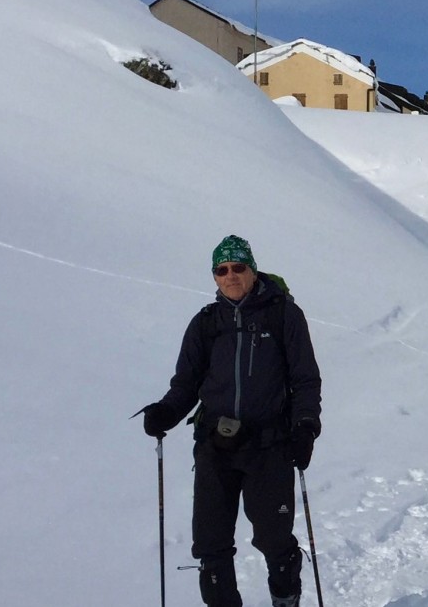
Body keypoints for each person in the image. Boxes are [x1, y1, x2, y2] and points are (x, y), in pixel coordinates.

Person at [138, 235, 322, 607]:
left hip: (270, 446)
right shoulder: (205, 323)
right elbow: (186, 384)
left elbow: (305, 379)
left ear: (252, 269)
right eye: (222, 270)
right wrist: (168, 411)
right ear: (214, 277)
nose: (231, 276)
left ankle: (286, 600)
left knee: (275, 540)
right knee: (211, 545)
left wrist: (305, 427)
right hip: (215, 447)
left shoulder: (284, 314)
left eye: (238, 267)